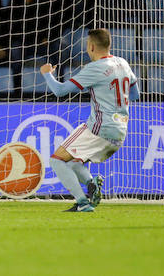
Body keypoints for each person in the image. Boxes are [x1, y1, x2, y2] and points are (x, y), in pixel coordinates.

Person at [40, 28, 140, 212]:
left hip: (99, 128)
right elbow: (135, 94)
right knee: (73, 162)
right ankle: (91, 183)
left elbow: (59, 91)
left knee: (56, 160)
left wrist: (47, 73)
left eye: (87, 45)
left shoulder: (94, 68)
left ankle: (83, 203)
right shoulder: (123, 63)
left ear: (91, 46)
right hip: (120, 131)